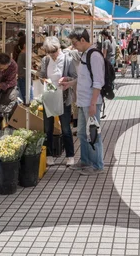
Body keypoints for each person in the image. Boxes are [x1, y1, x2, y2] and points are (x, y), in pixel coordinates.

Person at [67, 28, 105, 175]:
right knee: (82, 133)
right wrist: (70, 84)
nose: (73, 45)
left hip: (90, 102)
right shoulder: (85, 54)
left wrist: (93, 103)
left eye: (75, 42)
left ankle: (97, 165)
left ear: (83, 40)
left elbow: (98, 82)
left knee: (93, 134)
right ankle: (85, 161)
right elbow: (84, 78)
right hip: (83, 101)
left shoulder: (94, 55)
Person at [39, 37, 78, 167]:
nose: (52, 55)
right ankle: (49, 155)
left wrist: (66, 79)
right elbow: (42, 76)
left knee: (66, 128)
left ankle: (70, 155)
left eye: (54, 52)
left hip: (63, 96)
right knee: (48, 128)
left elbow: (75, 77)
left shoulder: (68, 59)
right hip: (49, 96)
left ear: (59, 48)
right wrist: (44, 80)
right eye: (49, 52)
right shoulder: (45, 60)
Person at [14, 36, 33, 103]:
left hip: (23, 78)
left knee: (26, 99)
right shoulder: (24, 54)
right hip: (24, 79)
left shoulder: (22, 54)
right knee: (28, 100)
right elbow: (30, 68)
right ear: (25, 45)